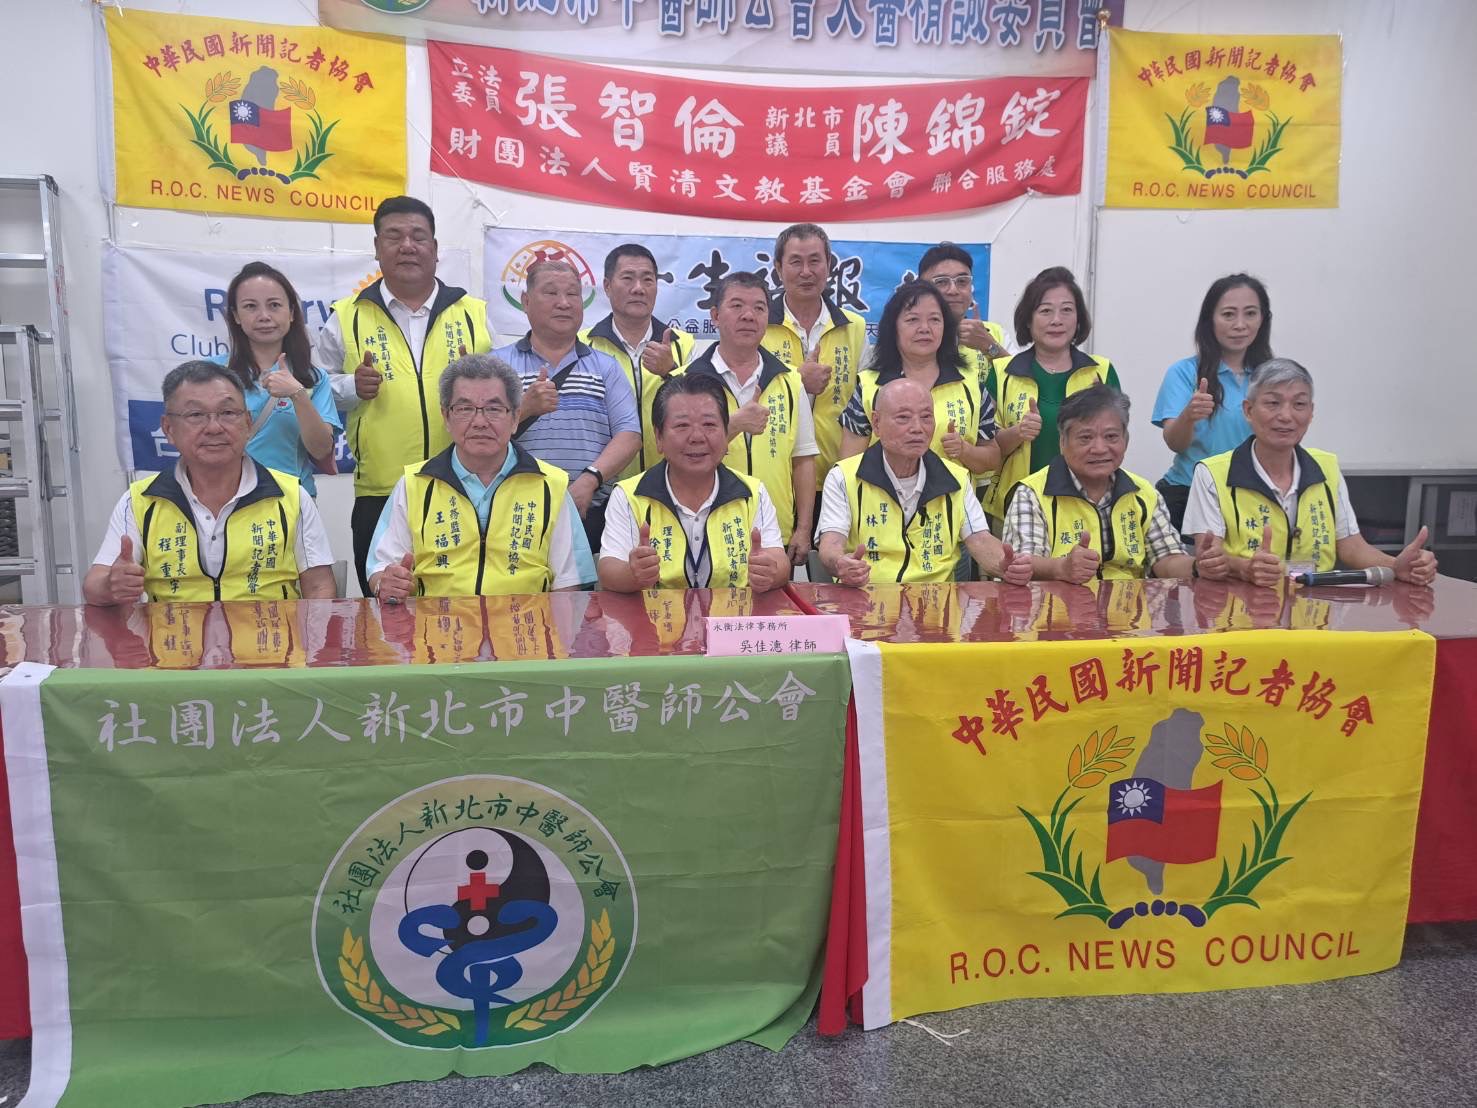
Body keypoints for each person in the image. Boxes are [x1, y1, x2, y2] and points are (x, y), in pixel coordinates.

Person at [315, 195, 495, 596]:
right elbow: (316, 387)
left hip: (465, 486)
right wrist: (350, 387)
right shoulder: (347, 315)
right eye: (394, 237)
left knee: (465, 603)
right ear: (377, 247)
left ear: (435, 247)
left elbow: (502, 389)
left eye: (418, 236)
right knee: (385, 606)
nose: (407, 246)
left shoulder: (474, 314)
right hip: (381, 489)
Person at [84, 361, 336, 605]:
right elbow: (94, 585)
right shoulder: (141, 500)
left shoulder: (290, 496)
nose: (214, 428)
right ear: (168, 429)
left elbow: (319, 587)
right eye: (196, 415)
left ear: (248, 423)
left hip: (270, 633)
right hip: (172, 634)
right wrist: (111, 585)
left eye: (227, 413)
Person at [1184, 359, 1438, 587]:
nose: (1286, 416)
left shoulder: (1326, 467)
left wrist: (1396, 565)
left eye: (1299, 404)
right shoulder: (1213, 473)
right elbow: (1211, 556)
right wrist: (1243, 568)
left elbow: (1351, 547)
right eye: (1273, 403)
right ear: (1248, 410)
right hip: (1244, 605)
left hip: (1317, 606)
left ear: (1311, 412)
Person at [366, 355, 593, 601]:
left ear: (515, 418)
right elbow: (381, 568)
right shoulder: (414, 484)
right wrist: (387, 584)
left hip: (525, 623)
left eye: (494, 409)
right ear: (446, 417)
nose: (480, 422)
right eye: (465, 409)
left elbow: (568, 585)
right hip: (437, 623)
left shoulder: (551, 485)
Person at [818, 378, 1032, 587]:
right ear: (876, 423)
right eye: (903, 418)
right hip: (867, 596)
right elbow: (831, 543)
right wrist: (840, 563)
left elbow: (980, 539)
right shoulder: (843, 477)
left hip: (937, 601)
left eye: (926, 417)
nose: (917, 428)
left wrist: (1006, 565)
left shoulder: (956, 477)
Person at [494, 259, 641, 554]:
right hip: (514, 512)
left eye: (573, 294)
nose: (564, 303)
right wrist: (524, 409)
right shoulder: (497, 365)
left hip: (590, 510)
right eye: (551, 293)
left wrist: (589, 480)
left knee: (589, 584)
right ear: (526, 301)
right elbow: (478, 434)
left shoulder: (606, 367)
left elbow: (629, 435)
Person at [599, 374, 790, 593]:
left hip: (731, 614)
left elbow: (779, 562)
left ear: (726, 433)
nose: (697, 436)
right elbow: (609, 570)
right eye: (682, 425)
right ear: (659, 437)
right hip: (654, 614)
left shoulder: (752, 492)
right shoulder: (629, 495)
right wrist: (633, 575)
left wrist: (768, 572)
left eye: (709, 424)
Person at [683, 271, 817, 567]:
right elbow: (677, 456)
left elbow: (803, 459)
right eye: (737, 306)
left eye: (759, 307)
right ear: (715, 316)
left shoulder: (789, 381)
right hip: (705, 530)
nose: (748, 316)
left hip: (773, 534)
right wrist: (734, 425)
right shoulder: (687, 381)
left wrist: (803, 528)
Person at [1004, 385, 1193, 581]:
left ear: (1125, 440)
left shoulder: (1143, 493)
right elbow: (1024, 562)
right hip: (1058, 598)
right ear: (1062, 443)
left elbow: (1167, 558)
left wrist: (1198, 566)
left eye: (1111, 437)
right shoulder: (1032, 493)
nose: (1100, 449)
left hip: (1128, 599)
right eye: (1085, 438)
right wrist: (1059, 568)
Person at [982, 266, 1118, 521]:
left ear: (1079, 318)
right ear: (1028, 319)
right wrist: (1018, 433)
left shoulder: (1101, 371)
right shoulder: (1001, 373)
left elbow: (1115, 440)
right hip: (1015, 508)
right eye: (1045, 311)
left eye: (1067, 310)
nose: (1057, 320)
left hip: (1085, 506)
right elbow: (986, 449)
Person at [838, 280, 1002, 479]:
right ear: (893, 327)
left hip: (950, 498)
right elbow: (848, 468)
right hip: (880, 498)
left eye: (934, 319)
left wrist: (964, 450)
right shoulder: (868, 386)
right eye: (913, 319)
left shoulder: (970, 384)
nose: (925, 328)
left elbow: (992, 458)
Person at [1152, 274, 1273, 531]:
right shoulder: (1184, 372)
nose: (1240, 325)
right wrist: (1189, 415)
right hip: (1189, 494)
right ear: (1210, 320)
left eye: (1250, 314)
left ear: (1263, 319)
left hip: (1253, 496)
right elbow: (1174, 443)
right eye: (1228, 314)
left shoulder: (1271, 376)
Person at [761, 223, 868, 506]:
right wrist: (798, 381)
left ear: (829, 265)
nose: (806, 272)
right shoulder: (759, 325)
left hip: (837, 477)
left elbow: (867, 405)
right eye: (796, 262)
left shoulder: (854, 327)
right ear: (778, 268)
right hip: (774, 477)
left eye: (814, 261)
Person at [221, 261, 341, 497]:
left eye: (274, 305)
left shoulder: (313, 378)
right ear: (236, 315)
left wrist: (298, 394)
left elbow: (321, 450)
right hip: (228, 502)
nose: (264, 316)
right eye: (250, 306)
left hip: (292, 502)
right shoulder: (213, 374)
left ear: (292, 313)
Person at [580, 244, 696, 479]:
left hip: (669, 484)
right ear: (607, 286)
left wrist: (670, 372)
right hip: (603, 484)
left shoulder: (682, 344)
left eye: (647, 280)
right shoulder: (584, 346)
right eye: (627, 278)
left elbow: (698, 408)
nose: (638, 289)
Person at [917, 242, 1010, 383]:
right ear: (920, 287)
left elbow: (1022, 385)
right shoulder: (909, 335)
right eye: (941, 282)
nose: (953, 290)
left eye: (962, 281)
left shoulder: (995, 333)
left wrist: (989, 346)